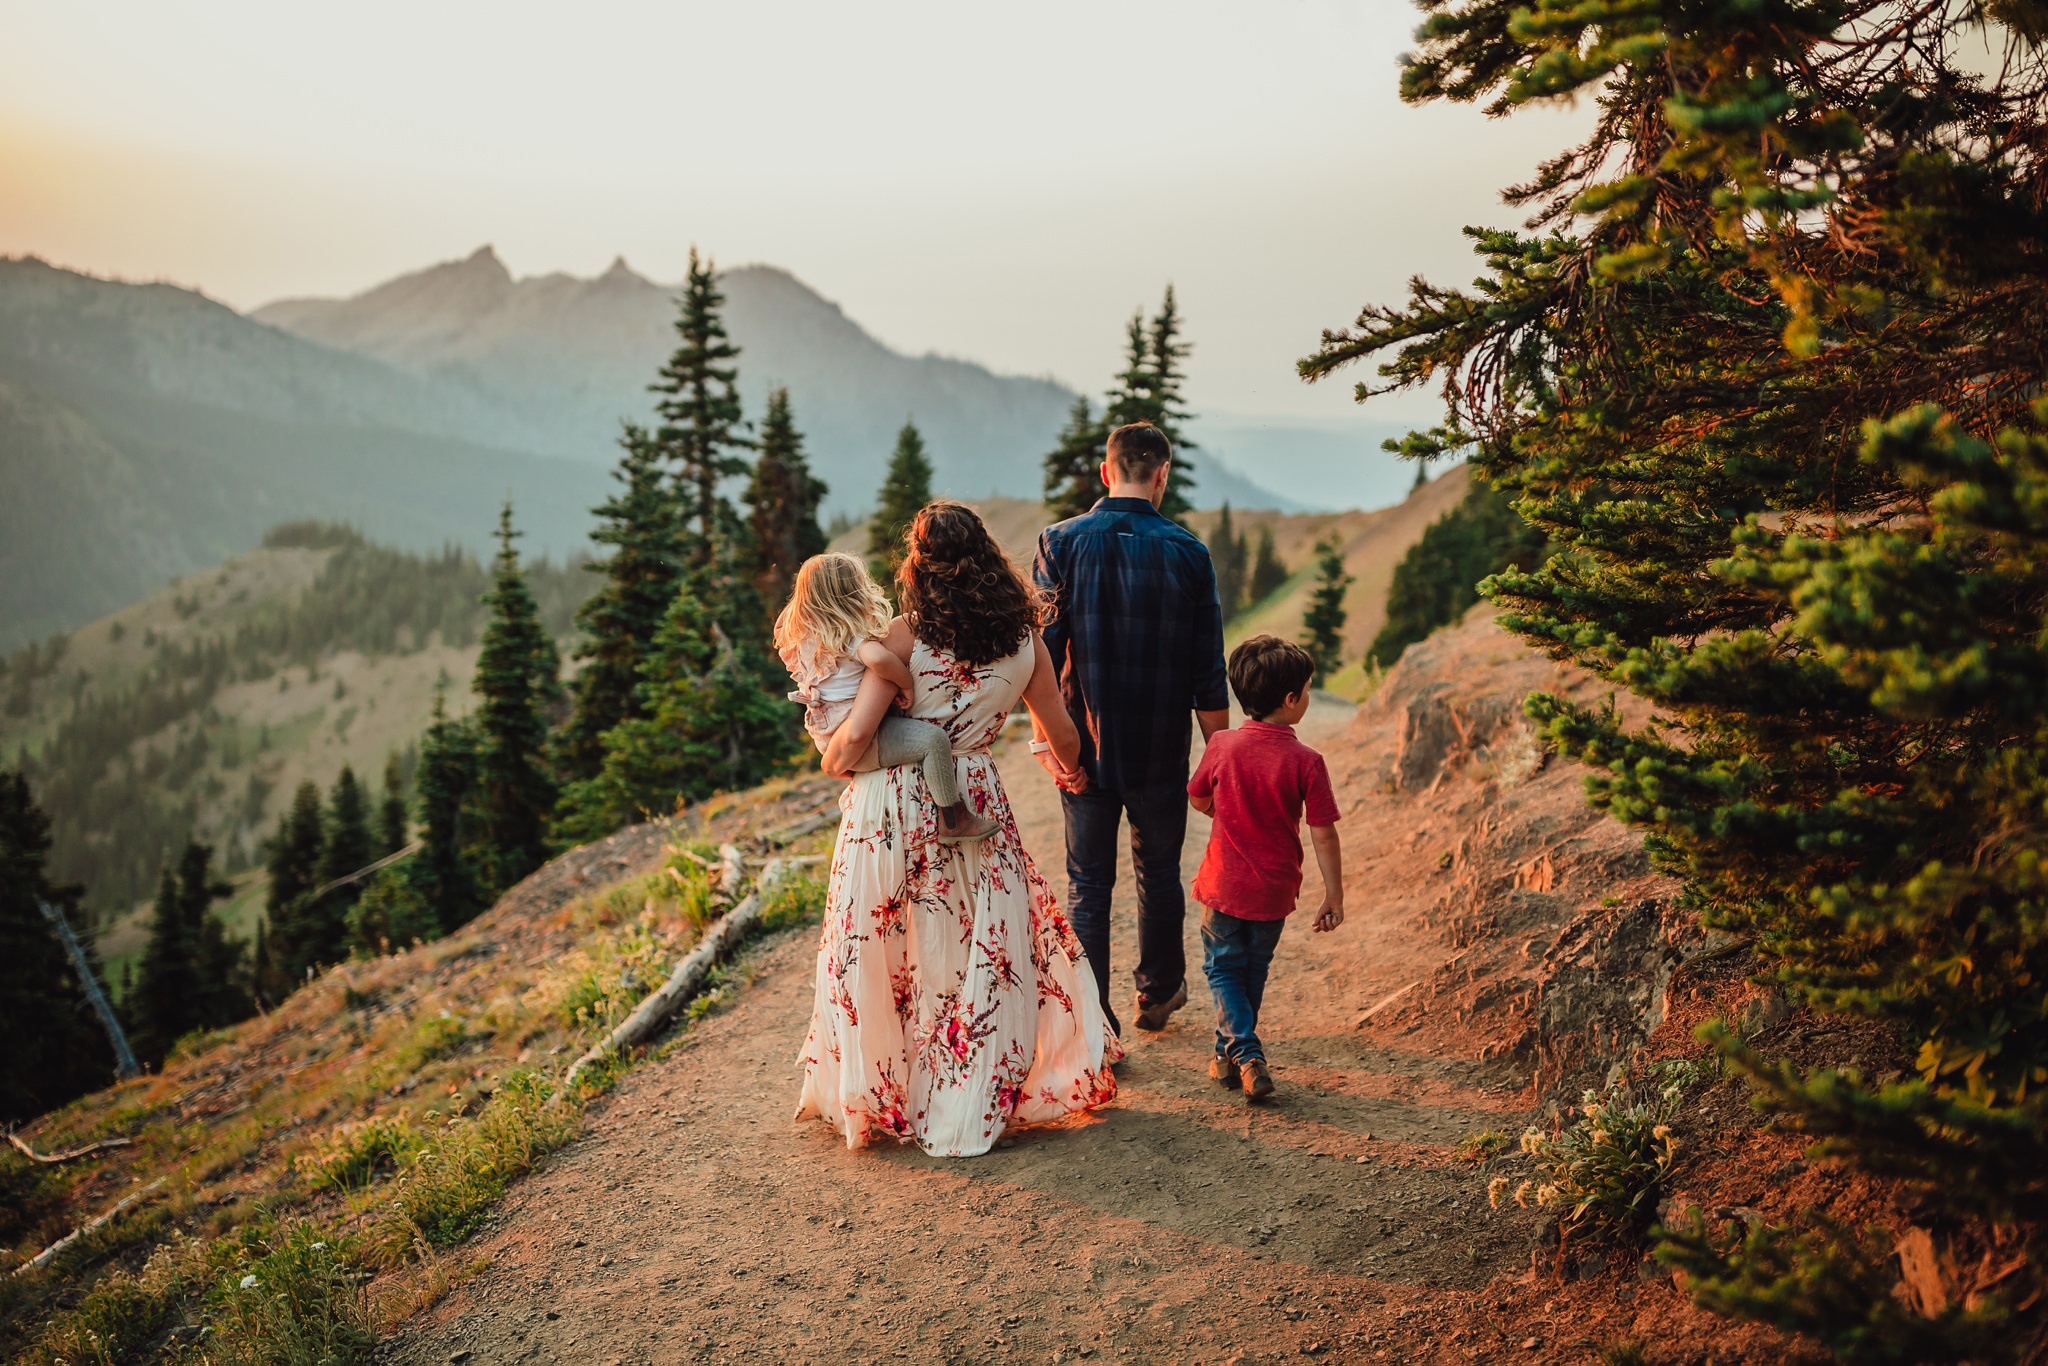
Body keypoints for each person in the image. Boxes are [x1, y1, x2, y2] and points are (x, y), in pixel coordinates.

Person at [795, 501, 1120, 1158]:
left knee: (890, 950)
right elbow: (1063, 737)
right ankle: (972, 1085)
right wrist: (1073, 769)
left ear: (919, 567)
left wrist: (832, 759)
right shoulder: (1024, 640)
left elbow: (860, 734)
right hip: (972, 796)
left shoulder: (904, 636)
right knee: (980, 946)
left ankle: (894, 1092)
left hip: (888, 805)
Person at [1032, 421, 1229, 1036]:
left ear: (1106, 471)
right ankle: (1159, 992)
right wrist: (1216, 760)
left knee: (1088, 883)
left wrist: (1045, 741)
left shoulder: (1059, 542)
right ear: (1161, 476)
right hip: (1159, 751)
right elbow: (1207, 671)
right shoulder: (1190, 553)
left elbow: (1038, 652)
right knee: (1159, 872)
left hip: (1080, 747)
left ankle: (1093, 1018)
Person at [1186, 636, 1344, 1100]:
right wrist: (1333, 894)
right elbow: (1323, 832)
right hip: (1273, 893)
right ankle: (1229, 1056)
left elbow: (1197, 797)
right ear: (1291, 700)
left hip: (1222, 886)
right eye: (1308, 690)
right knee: (1250, 973)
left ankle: (1246, 1055)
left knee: (1223, 972)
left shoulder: (1222, 745)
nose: (1309, 698)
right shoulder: (1307, 761)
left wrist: (1226, 812)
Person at [775, 552, 996, 843]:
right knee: (932, 741)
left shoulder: (804, 638)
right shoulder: (850, 636)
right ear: (852, 592)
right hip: (858, 734)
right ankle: (954, 820)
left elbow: (783, 621)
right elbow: (880, 660)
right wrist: (904, 684)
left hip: (825, 735)